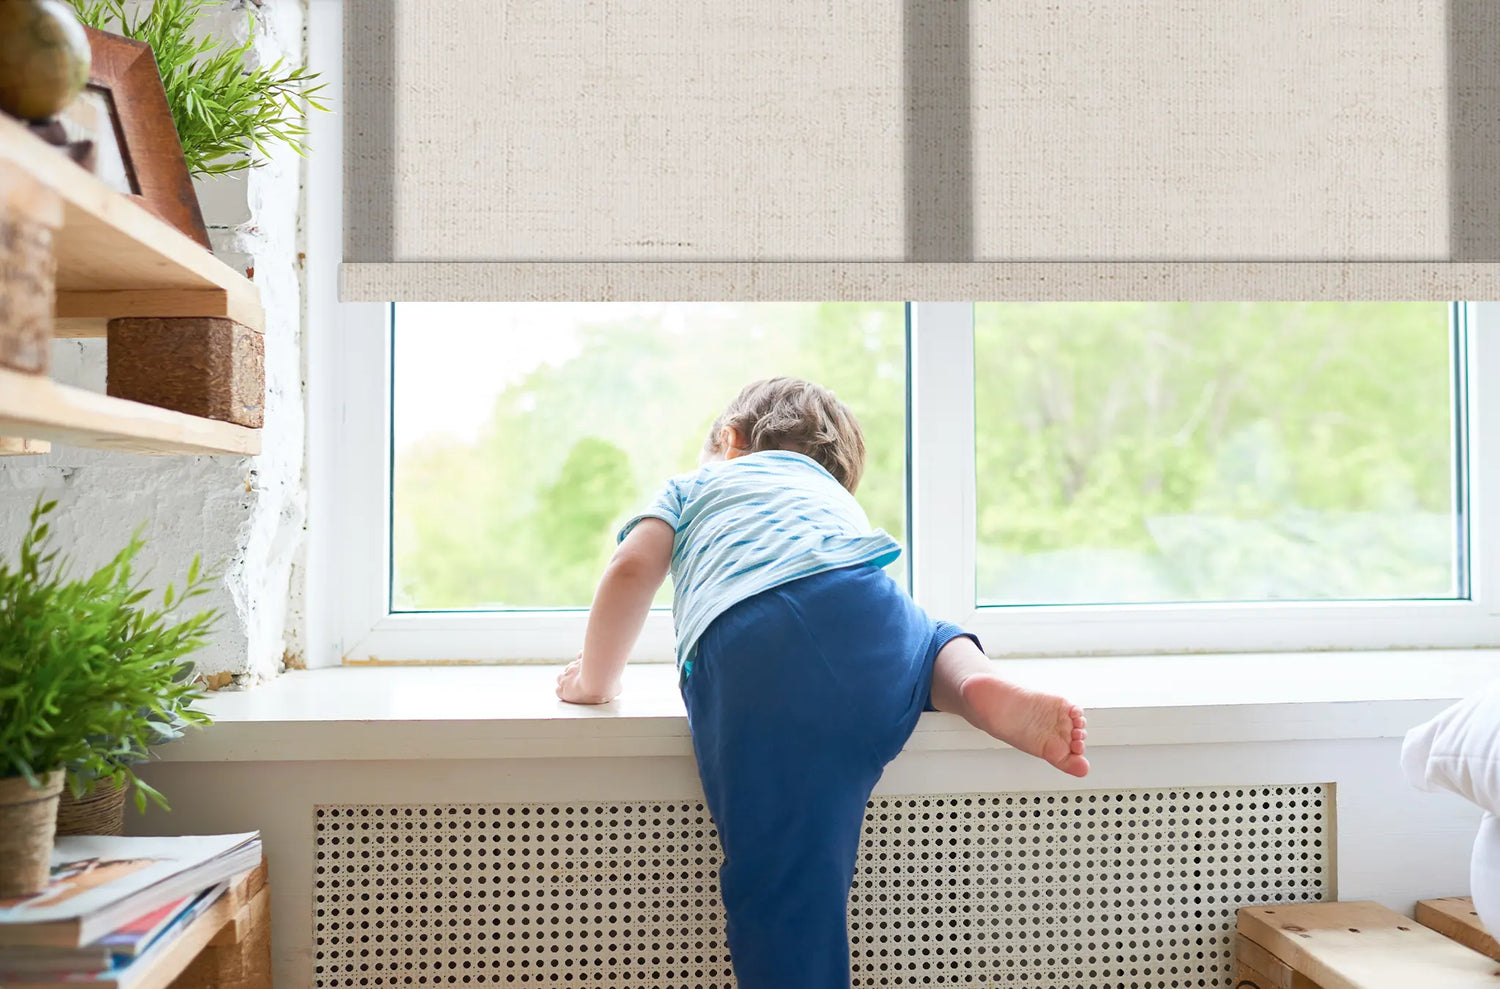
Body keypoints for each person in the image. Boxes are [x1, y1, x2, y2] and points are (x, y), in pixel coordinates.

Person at [556, 376, 1088, 988]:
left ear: (730, 441)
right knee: (932, 640)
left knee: (786, 886)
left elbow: (630, 568)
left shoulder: (697, 485)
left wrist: (594, 682)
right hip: (867, 605)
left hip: (755, 642)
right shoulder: (827, 496)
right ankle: (977, 688)